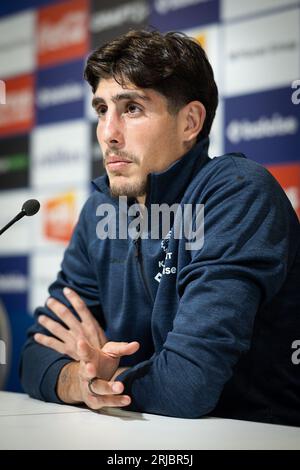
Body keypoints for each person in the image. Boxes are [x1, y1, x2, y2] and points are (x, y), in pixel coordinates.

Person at [20, 29, 300, 426]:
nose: (108, 133)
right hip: (142, 435)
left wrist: (108, 378)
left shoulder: (237, 192)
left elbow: (189, 384)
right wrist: (78, 382)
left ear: (190, 121)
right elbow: (35, 354)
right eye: (102, 110)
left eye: (131, 108)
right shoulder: (102, 210)